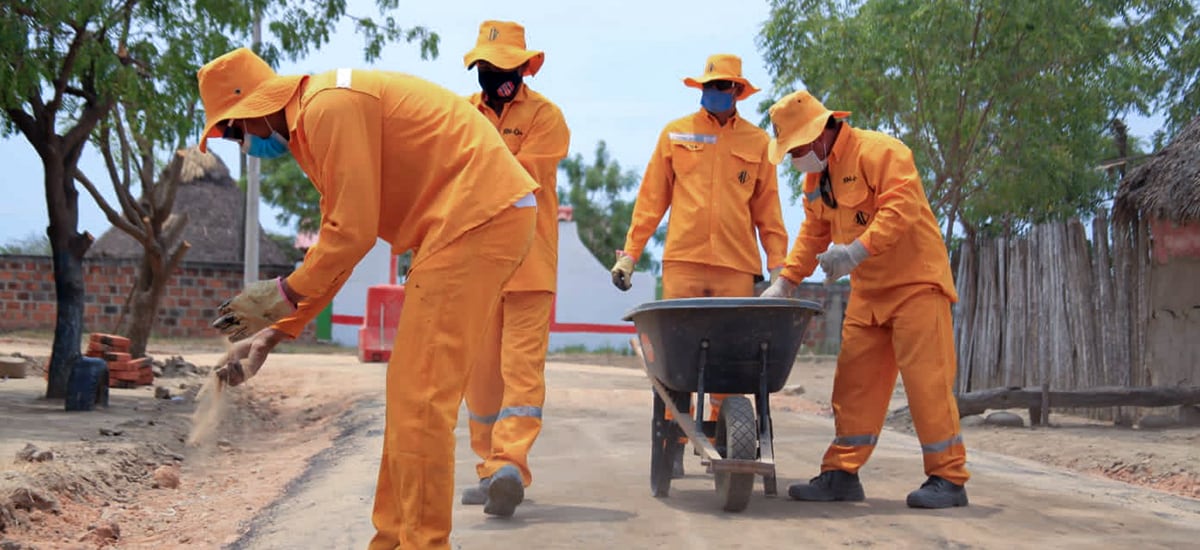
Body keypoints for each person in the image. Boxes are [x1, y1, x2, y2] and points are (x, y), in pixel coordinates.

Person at [197, 47, 540, 549]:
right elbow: (338, 244)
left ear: (252, 107)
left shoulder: (326, 107)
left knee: (421, 402)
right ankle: (392, 539)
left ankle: (422, 543)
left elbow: (349, 236)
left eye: (231, 131)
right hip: (463, 225)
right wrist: (272, 334)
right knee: (408, 397)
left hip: (477, 219)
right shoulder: (314, 128)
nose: (238, 145)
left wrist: (278, 296)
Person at [760, 90, 970, 509]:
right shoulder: (816, 180)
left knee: (927, 384)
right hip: (869, 292)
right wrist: (786, 282)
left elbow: (900, 209)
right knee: (853, 385)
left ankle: (948, 478)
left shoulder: (882, 153)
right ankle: (841, 475)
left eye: (799, 147)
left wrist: (855, 252)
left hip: (916, 286)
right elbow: (814, 234)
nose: (798, 155)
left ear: (821, 133)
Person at [610, 53, 789, 475]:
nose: (714, 93)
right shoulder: (675, 134)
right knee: (679, 364)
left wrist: (781, 268)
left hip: (735, 268)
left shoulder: (758, 143)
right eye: (709, 86)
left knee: (731, 363)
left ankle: (731, 439)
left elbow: (769, 212)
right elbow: (651, 201)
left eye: (722, 86)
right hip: (684, 265)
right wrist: (629, 256)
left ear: (737, 91)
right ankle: (673, 446)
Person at [457, 20, 570, 518]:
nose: (495, 75)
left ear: (524, 69)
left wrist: (467, 170)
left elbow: (520, 176)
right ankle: (489, 470)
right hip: (478, 268)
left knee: (520, 375)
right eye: (487, 66)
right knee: (479, 381)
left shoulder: (547, 118)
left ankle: (510, 464)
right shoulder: (459, 114)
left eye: (505, 66)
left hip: (528, 266)